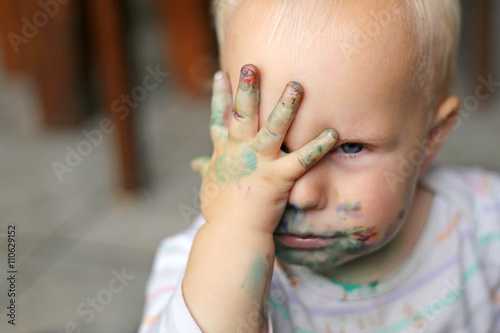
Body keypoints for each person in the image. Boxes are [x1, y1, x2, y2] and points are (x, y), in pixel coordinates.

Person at [139, 0, 500, 332]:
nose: (301, 193)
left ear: (431, 138)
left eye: (350, 147)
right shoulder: (194, 272)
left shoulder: (484, 222)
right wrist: (235, 233)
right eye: (269, 145)